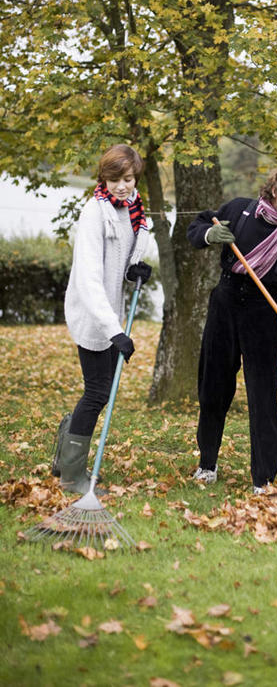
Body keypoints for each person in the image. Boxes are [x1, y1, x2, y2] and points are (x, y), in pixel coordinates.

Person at [187, 162, 277, 494]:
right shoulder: (239, 211)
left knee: (263, 399)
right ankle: (207, 464)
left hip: (262, 314)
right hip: (223, 306)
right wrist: (210, 234)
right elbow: (196, 227)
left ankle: (262, 479)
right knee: (213, 389)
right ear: (275, 191)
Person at [52, 144, 152, 494]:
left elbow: (119, 263)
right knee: (97, 392)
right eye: (114, 179)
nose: (122, 186)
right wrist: (114, 332)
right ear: (103, 177)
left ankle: (64, 453)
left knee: (101, 391)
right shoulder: (95, 212)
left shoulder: (132, 210)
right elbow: (90, 279)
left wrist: (133, 271)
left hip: (111, 313)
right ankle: (72, 476)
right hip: (94, 317)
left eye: (127, 178)